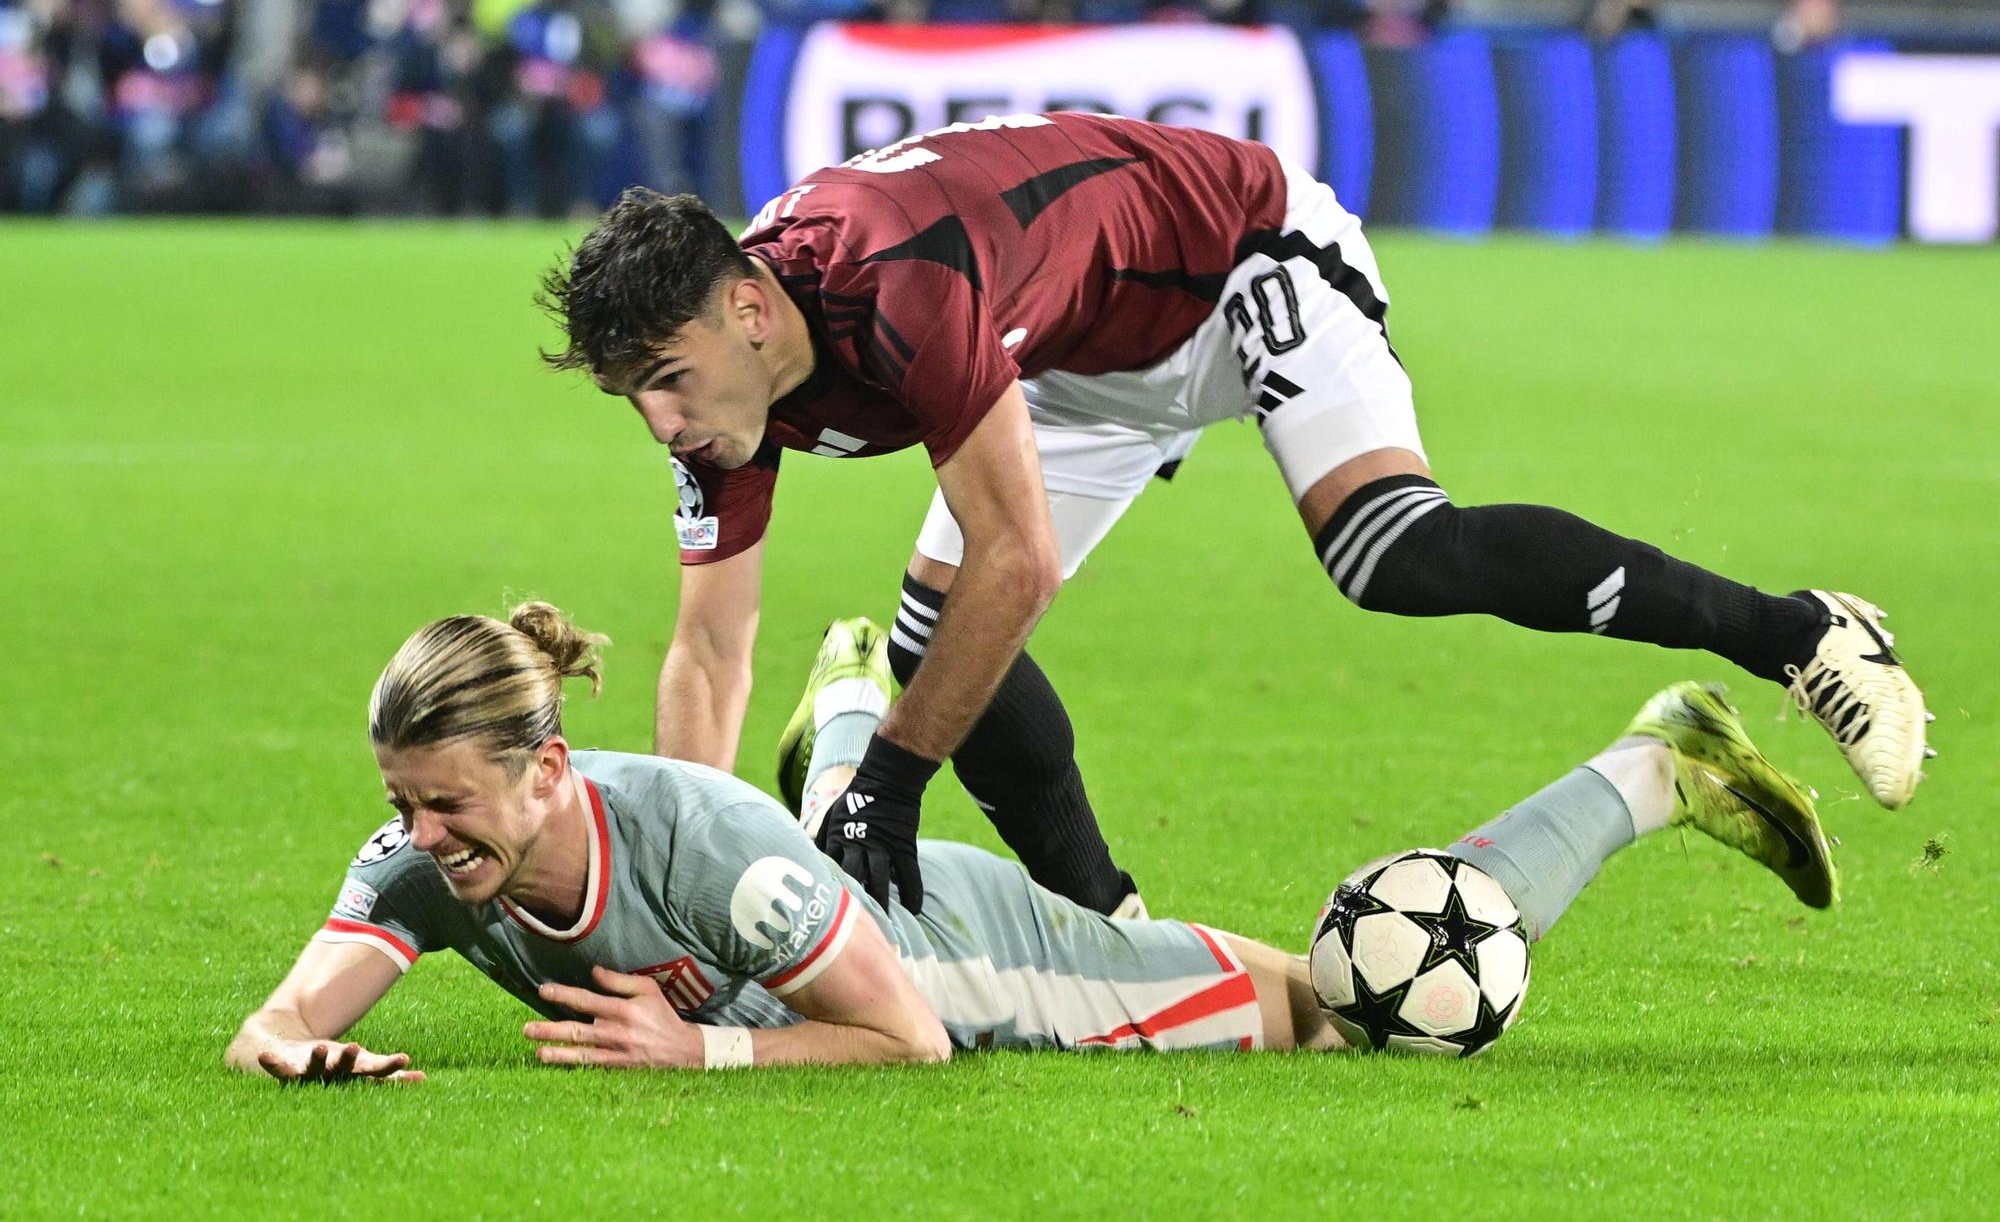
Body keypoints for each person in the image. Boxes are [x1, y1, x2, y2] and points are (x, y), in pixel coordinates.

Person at [532, 111, 1930, 918]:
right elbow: (711, 648)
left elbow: (1015, 560)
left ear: (747, 307)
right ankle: (1109, 921)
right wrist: (680, 873)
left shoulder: (899, 286)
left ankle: (1801, 632)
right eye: (631, 398)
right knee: (926, 638)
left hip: (1231, 260)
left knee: (1386, 548)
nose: (663, 420)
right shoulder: (722, 392)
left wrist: (894, 781)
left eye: (664, 380)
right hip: (1070, 354)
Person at [226, 604, 1835, 1080]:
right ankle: (854, 701)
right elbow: (273, 1024)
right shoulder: (428, 866)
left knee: (1358, 1003)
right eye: (402, 805)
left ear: (546, 766)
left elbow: (913, 1038)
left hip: (969, 951)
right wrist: (310, 1058)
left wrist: (694, 1057)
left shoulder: (701, 842)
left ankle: (1649, 765)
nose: (424, 840)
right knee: (825, 864)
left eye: (447, 804)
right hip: (827, 895)